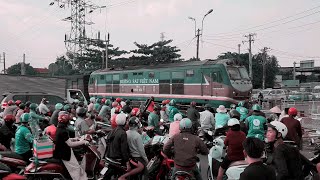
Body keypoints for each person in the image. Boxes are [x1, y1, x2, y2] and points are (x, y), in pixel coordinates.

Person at [54, 113, 89, 180]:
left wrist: (75, 139)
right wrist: (83, 142)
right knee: (76, 168)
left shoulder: (60, 128)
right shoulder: (63, 130)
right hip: (64, 153)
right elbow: (70, 144)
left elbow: (65, 140)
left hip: (62, 151)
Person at [104, 113, 131, 180]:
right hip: (116, 160)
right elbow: (123, 150)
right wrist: (128, 163)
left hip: (108, 158)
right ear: (124, 122)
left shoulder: (112, 131)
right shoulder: (123, 133)